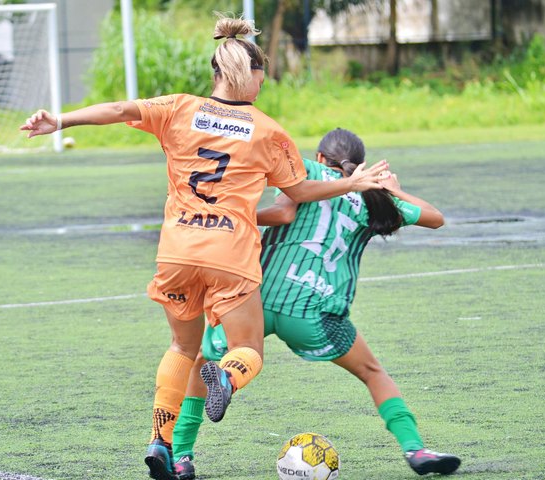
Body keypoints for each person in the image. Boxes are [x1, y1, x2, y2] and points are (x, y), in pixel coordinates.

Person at [20, 17, 389, 480]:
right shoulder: (268, 131)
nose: (262, 83)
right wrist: (351, 182)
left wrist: (60, 121)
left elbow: (118, 109)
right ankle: (226, 378)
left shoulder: (178, 108)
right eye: (262, 76)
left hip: (176, 252)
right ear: (248, 74)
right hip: (229, 257)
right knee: (247, 348)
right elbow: (298, 193)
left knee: (181, 346)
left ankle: (161, 441)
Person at [171, 128, 461, 478]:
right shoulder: (373, 198)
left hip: (257, 300)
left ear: (321, 158)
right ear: (360, 165)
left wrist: (233, 216)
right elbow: (435, 218)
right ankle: (415, 450)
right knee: (372, 373)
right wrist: (391, 188)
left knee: (205, 359)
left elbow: (283, 214)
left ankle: (184, 452)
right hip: (315, 312)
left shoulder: (305, 169)